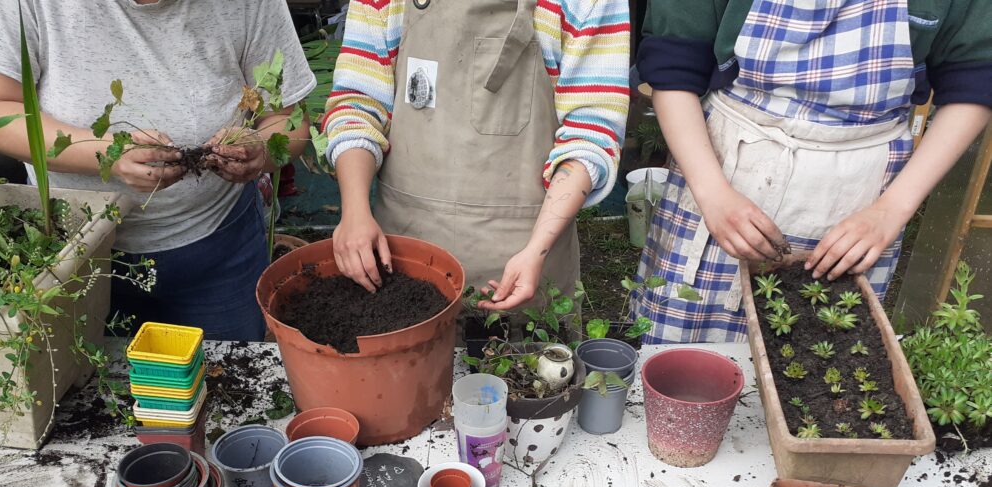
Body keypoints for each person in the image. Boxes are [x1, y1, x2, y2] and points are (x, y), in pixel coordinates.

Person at [632, 0, 992, 343]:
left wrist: (891, 210)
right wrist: (712, 193)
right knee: (680, 362)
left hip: (862, 193)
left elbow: (973, 79)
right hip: (719, 165)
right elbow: (674, 63)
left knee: (827, 364)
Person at [0, 0, 316, 341]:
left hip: (217, 243)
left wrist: (260, 148)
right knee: (88, 391)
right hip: (73, 253)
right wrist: (107, 155)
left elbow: (289, 121)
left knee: (222, 382)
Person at [323, 0, 630, 311]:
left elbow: (591, 133)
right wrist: (355, 212)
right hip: (402, 263)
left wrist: (536, 250)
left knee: (517, 357)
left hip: (524, 267)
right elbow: (358, 105)